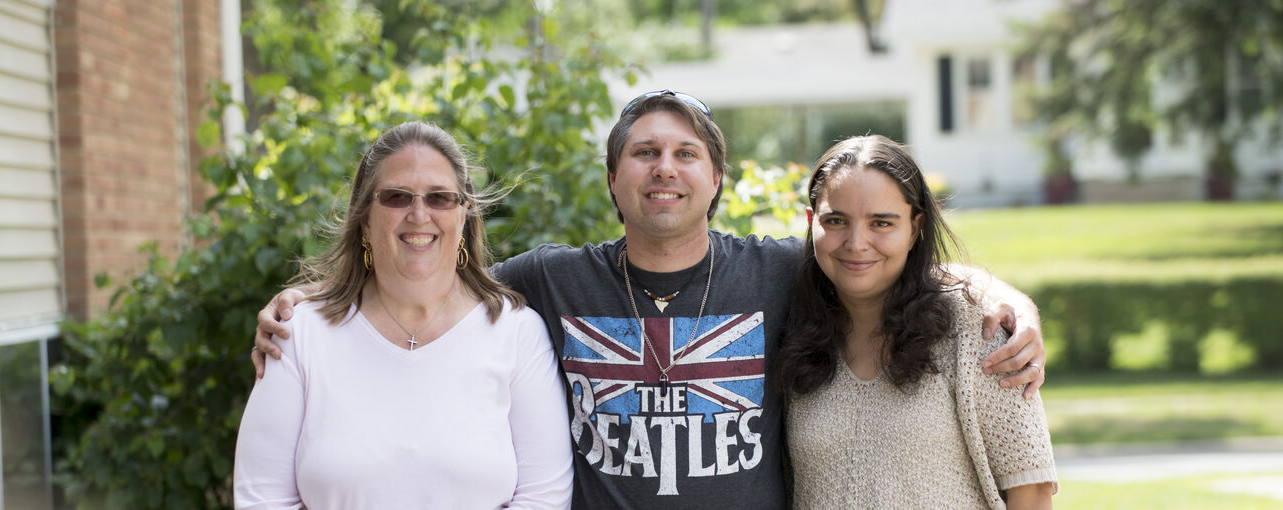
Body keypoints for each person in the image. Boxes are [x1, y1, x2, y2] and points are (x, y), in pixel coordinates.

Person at [251, 91, 1049, 509]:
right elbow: (419, 261)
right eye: (643, 153)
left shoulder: (781, 272)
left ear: (715, 179)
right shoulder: (549, 283)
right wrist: (303, 302)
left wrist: (995, 290)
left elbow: (875, 255)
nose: (664, 168)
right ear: (613, 179)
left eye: (684, 152)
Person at [232, 121, 573, 509]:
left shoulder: (517, 334)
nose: (418, 214)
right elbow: (263, 499)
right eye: (396, 197)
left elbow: (543, 499)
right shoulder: (301, 334)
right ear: (364, 218)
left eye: (440, 198)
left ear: (463, 216)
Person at [777, 135, 1056, 509]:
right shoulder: (789, 331)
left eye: (881, 223)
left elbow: (1031, 492)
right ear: (812, 223)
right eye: (836, 220)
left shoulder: (978, 330)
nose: (856, 242)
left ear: (915, 227)